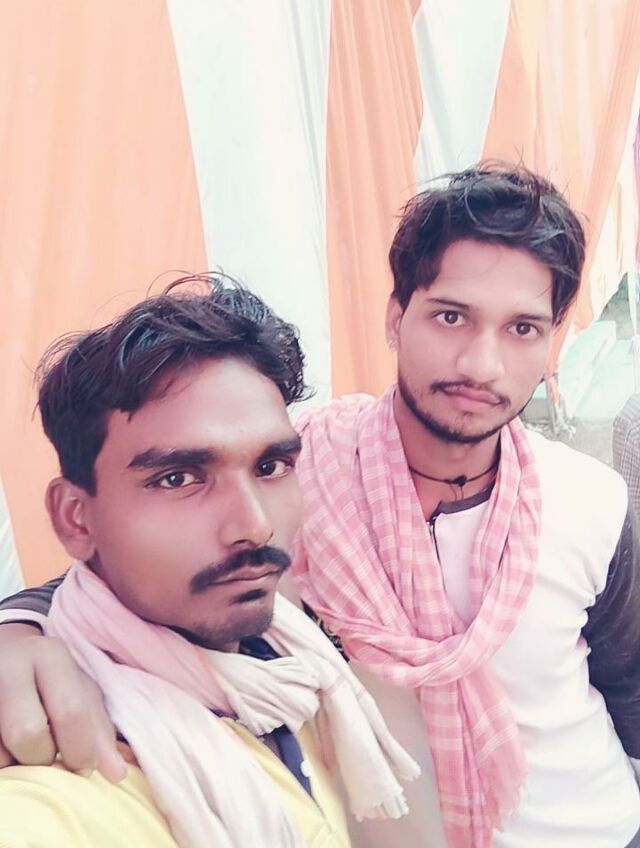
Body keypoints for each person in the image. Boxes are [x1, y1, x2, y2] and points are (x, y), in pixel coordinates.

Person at [1, 162, 640, 848]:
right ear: (396, 316)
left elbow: (628, 685)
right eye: (451, 316)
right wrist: (18, 633)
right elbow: (120, 562)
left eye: (522, 329)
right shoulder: (292, 468)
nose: (482, 365)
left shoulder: (592, 499)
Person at [0, 280, 418, 848]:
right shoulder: (55, 780)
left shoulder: (288, 664)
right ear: (76, 519)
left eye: (270, 467)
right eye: (178, 478)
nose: (254, 525)